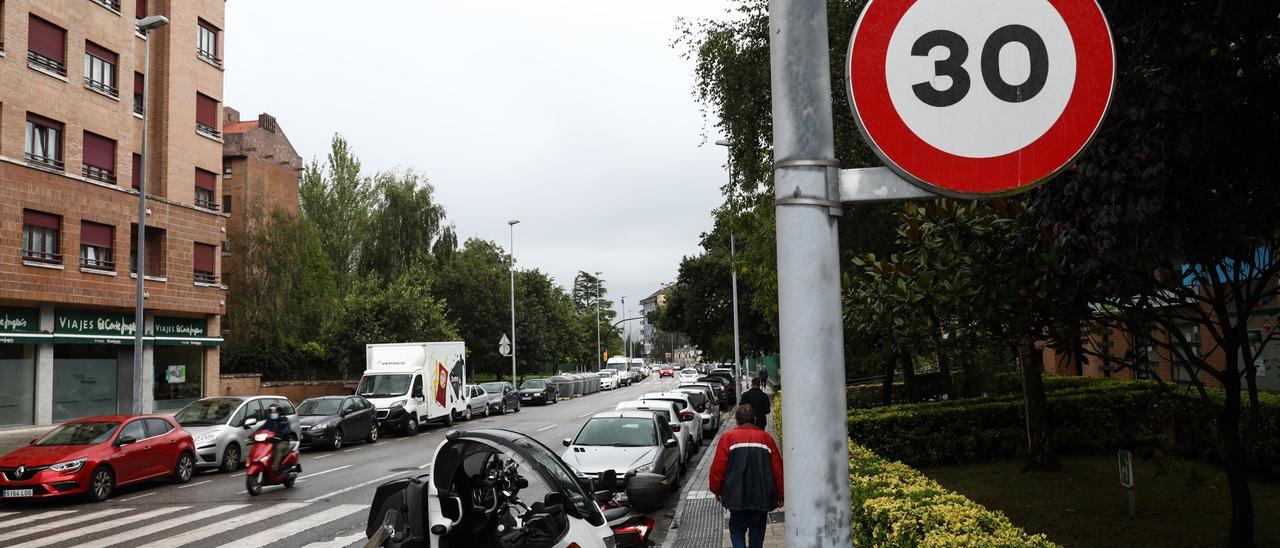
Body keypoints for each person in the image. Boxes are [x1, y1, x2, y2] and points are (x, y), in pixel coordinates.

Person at [709, 404, 784, 548]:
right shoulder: (766, 439)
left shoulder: (728, 438)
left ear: (736, 421)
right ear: (754, 419)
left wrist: (717, 490)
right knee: (757, 532)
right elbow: (778, 470)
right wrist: (781, 495)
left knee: (736, 529)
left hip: (736, 496)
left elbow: (718, 468)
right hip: (761, 497)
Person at [261, 404, 293, 470]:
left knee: (278, 448)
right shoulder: (269, 421)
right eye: (271, 412)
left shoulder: (284, 420)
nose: (273, 414)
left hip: (283, 441)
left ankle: (275, 467)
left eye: (275, 412)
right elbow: (261, 429)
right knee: (263, 448)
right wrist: (252, 435)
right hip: (271, 441)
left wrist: (281, 434)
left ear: (279, 412)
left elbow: (287, 429)